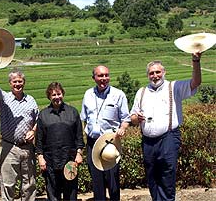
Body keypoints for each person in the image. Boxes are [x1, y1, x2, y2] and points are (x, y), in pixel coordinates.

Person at [130, 52, 202, 201]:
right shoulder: (141, 92)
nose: (155, 75)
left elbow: (195, 83)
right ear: (148, 75)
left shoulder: (173, 87)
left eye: (158, 72)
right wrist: (137, 118)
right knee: (151, 175)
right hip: (148, 141)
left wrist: (196, 60)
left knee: (167, 175)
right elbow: (133, 118)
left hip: (168, 138)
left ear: (164, 72)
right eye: (151, 73)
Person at [80, 65, 130, 200]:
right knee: (96, 180)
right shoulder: (88, 94)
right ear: (94, 78)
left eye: (106, 75)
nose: (104, 78)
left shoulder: (118, 95)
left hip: (110, 143)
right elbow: (84, 118)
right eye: (100, 76)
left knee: (112, 180)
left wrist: (123, 128)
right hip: (92, 142)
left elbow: (126, 119)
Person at [0, 68, 38, 201]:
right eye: (14, 81)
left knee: (29, 184)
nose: (17, 84)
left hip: (27, 148)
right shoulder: (4, 98)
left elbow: (38, 120)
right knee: (8, 184)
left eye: (20, 81)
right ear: (10, 83)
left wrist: (33, 130)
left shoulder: (31, 100)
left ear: (24, 82)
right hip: (9, 148)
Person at [35, 82, 85, 201]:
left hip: (70, 160)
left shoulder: (72, 112)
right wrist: (40, 157)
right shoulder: (43, 115)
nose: (57, 97)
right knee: (53, 194)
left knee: (71, 194)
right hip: (50, 161)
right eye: (53, 95)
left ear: (63, 94)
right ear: (49, 96)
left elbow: (79, 136)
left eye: (59, 94)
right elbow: (39, 139)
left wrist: (79, 154)